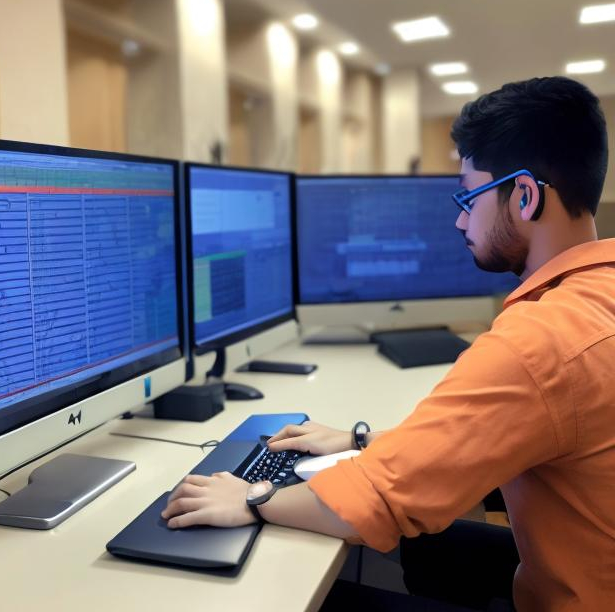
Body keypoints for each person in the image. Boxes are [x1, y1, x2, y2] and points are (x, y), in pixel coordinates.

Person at [161, 77, 615, 611]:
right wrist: (359, 440)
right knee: (424, 547)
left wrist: (254, 497)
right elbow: (481, 436)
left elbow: (366, 507)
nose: (460, 218)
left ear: (524, 195)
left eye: (468, 196)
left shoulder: (540, 340)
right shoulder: (597, 296)